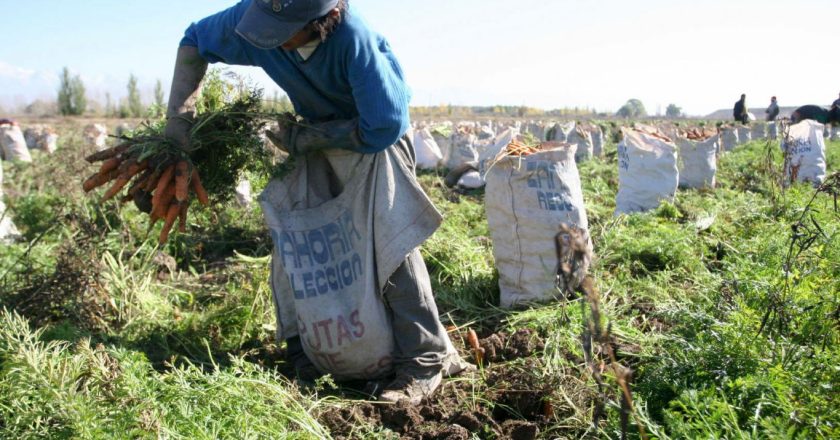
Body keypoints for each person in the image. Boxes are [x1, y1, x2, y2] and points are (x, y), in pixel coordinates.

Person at [163, 0, 468, 405]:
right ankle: (303, 354)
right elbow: (193, 42)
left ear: (322, 23)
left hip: (373, 140)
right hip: (314, 135)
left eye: (282, 31)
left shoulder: (353, 41)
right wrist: (178, 128)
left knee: (387, 238)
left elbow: (386, 125)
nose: (268, 40)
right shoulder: (255, 20)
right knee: (294, 236)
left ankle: (423, 360)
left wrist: (310, 139)